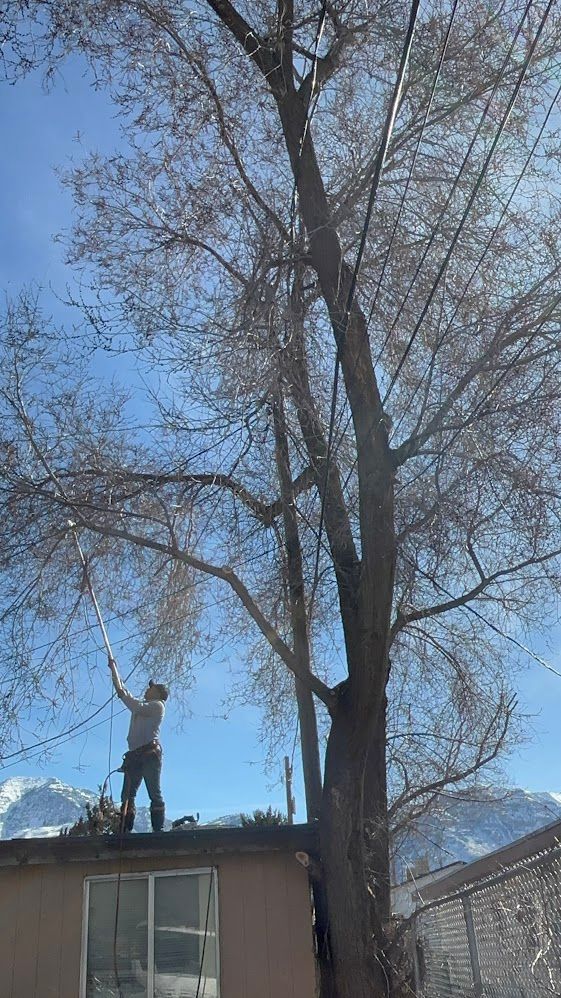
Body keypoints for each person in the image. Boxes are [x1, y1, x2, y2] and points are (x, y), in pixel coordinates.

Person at [107, 656, 169, 833]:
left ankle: (158, 829)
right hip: (134, 755)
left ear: (159, 693)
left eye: (152, 688)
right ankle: (125, 829)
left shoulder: (158, 706)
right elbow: (122, 692)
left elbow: (132, 703)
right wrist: (114, 671)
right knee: (127, 794)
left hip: (149, 754)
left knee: (154, 792)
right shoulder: (143, 706)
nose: (148, 690)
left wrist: (122, 689)